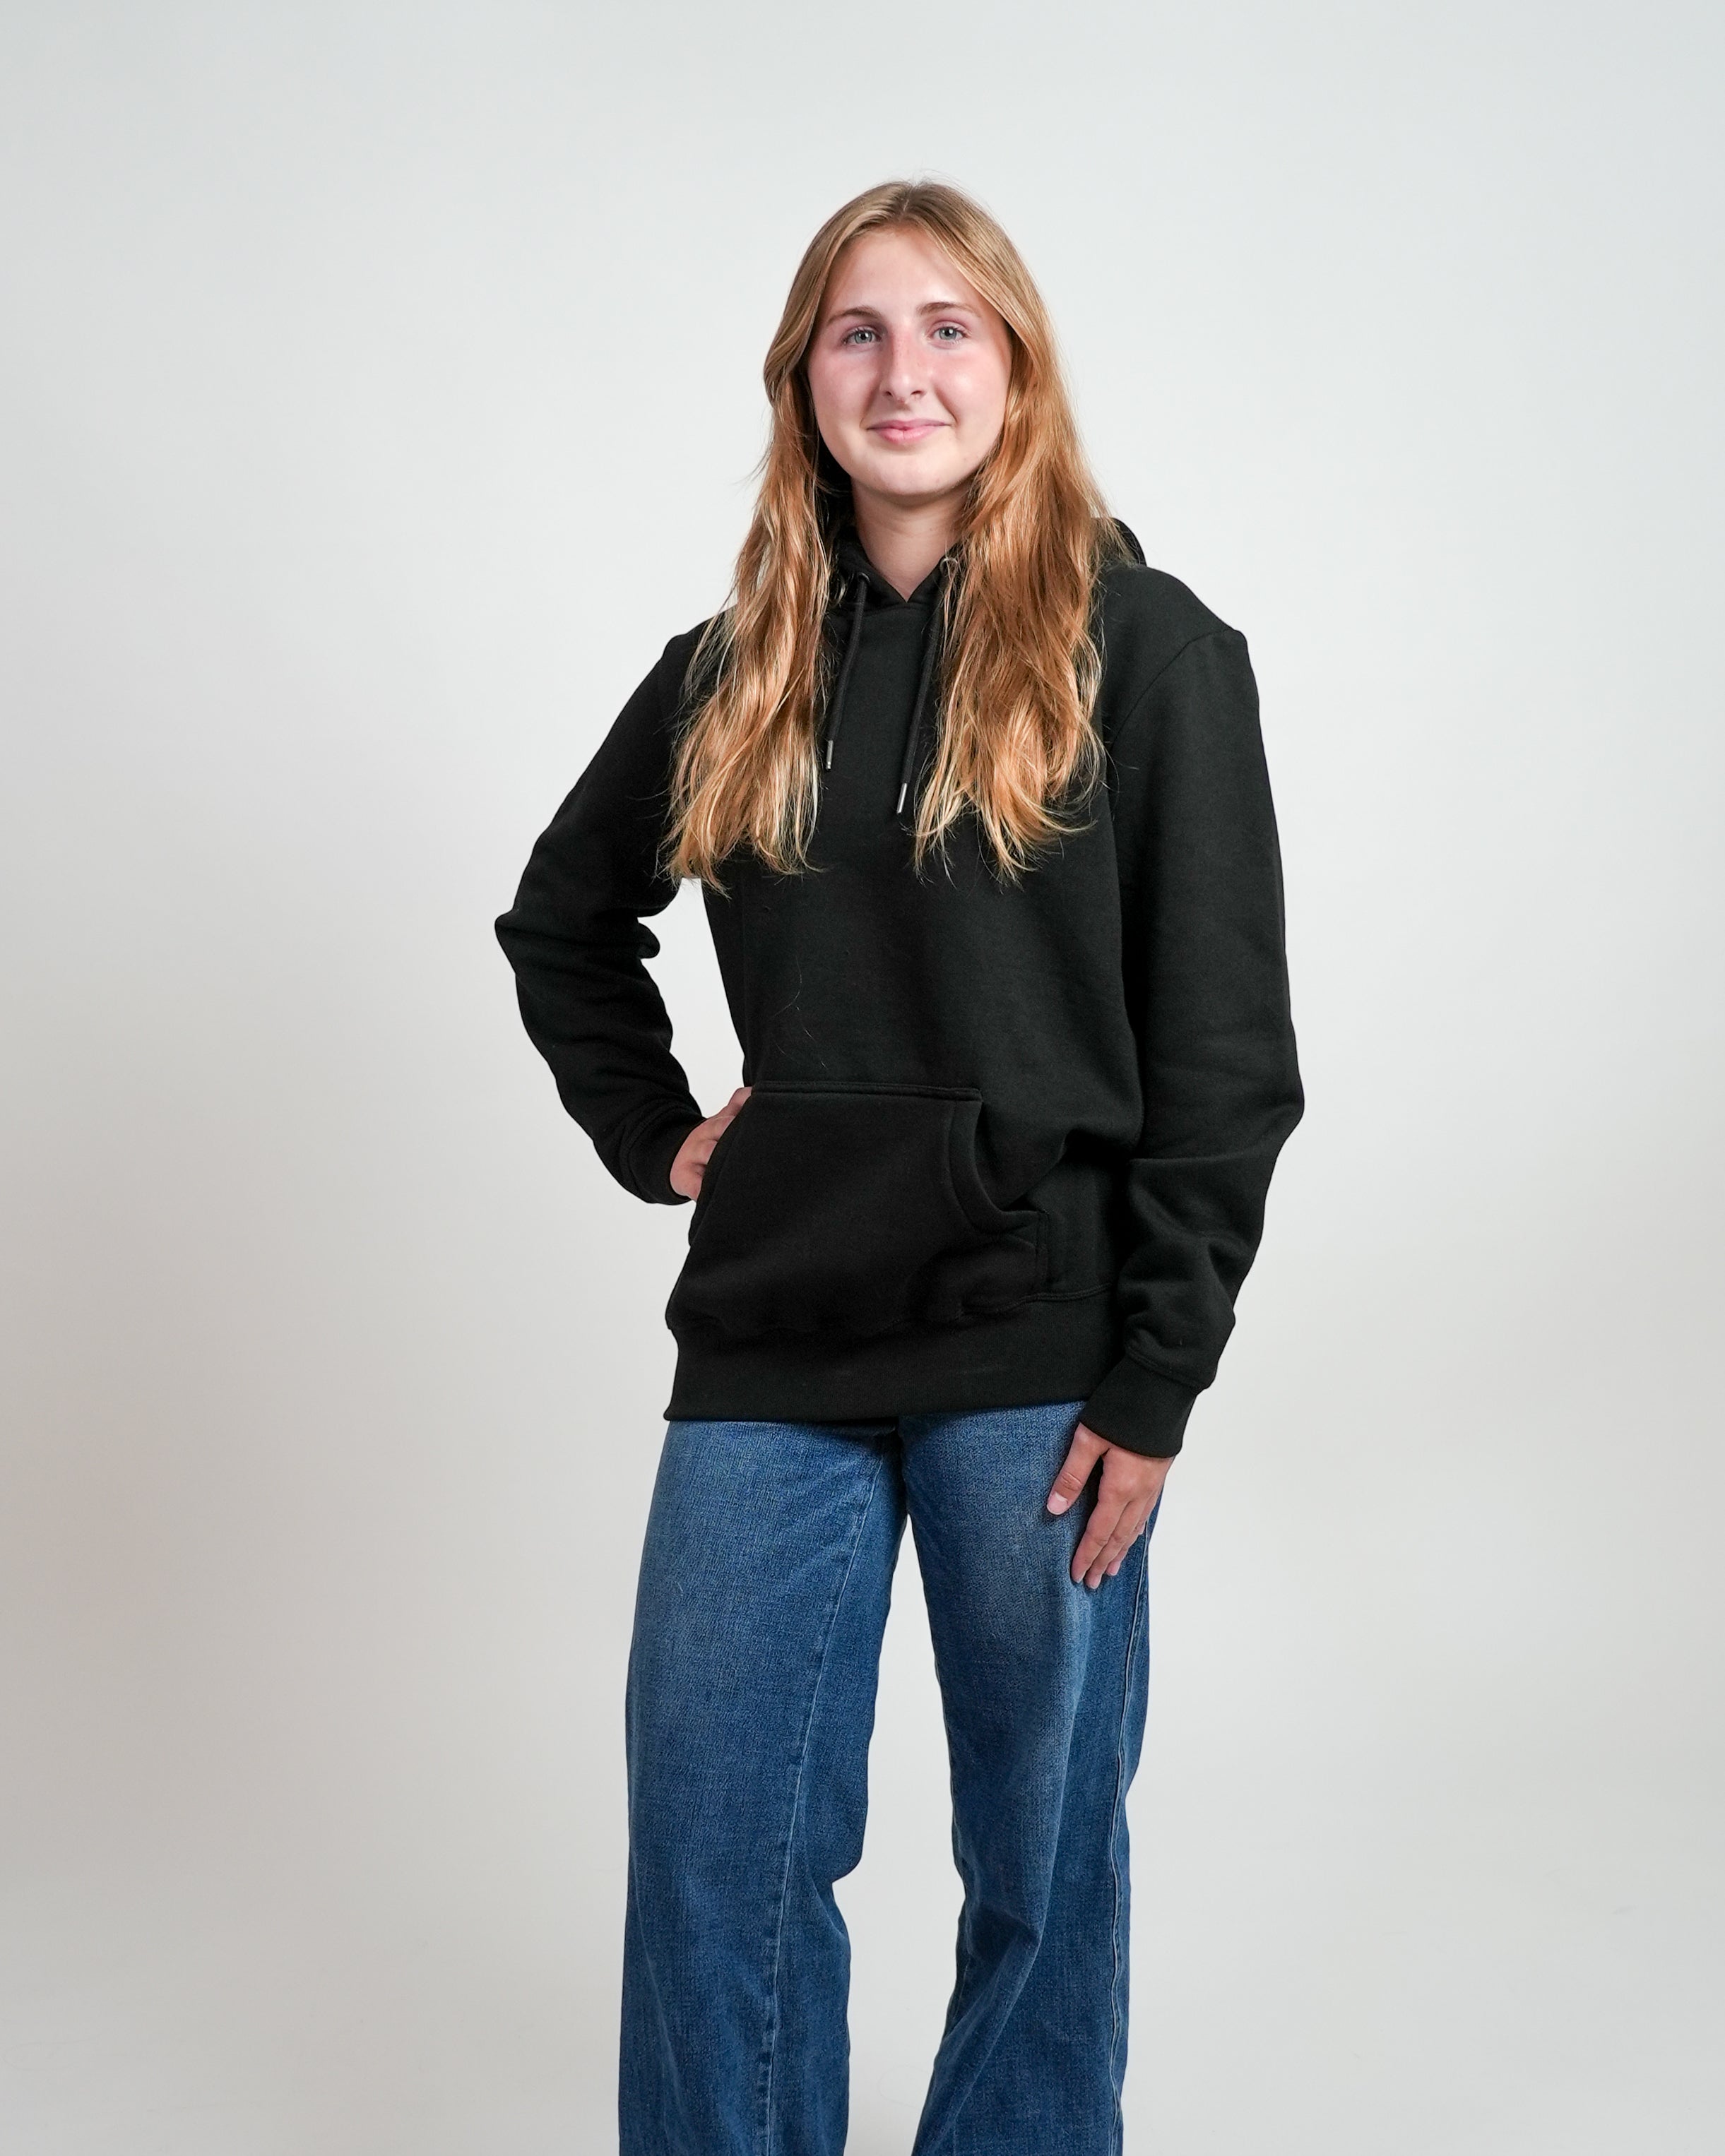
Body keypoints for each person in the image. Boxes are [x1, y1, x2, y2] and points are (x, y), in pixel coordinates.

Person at [496, 179, 1302, 2156]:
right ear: (803, 380)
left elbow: (1222, 1057)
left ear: (1014, 370)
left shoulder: (1152, 649)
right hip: (776, 1332)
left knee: (1037, 1871)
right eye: (858, 329)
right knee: (716, 1857)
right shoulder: (731, 668)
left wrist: (1157, 1374)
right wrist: (655, 1131)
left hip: (1042, 1348)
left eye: (950, 326)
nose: (903, 368)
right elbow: (559, 921)